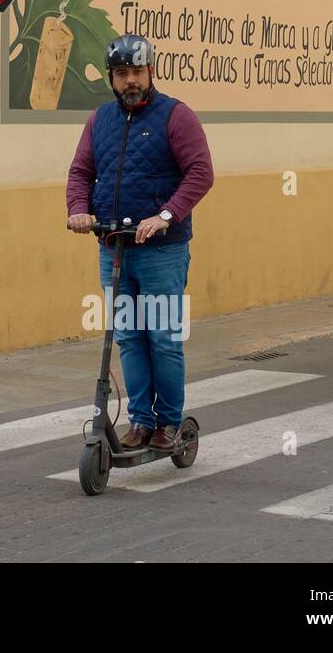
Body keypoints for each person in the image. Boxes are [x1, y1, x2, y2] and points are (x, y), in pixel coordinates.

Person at [65, 34, 215, 452]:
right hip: (114, 247)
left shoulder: (176, 116)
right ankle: (140, 421)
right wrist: (79, 209)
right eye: (121, 74)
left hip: (162, 252)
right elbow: (80, 172)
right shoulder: (100, 121)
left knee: (162, 337)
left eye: (137, 72)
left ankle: (168, 422)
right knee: (129, 336)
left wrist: (165, 215)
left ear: (151, 72)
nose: (130, 81)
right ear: (111, 78)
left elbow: (200, 173)